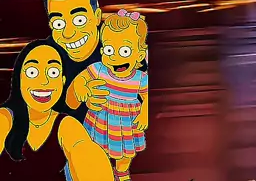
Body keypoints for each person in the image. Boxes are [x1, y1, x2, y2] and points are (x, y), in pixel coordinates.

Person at [0, 40, 114, 179]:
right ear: (19, 79)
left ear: (62, 81)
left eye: (53, 72)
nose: (44, 81)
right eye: (32, 72)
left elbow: (85, 150)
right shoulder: (6, 118)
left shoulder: (65, 124)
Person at [73, 11, 148, 181]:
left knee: (125, 153)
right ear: (102, 51)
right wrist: (81, 88)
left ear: (140, 54)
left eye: (124, 50)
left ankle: (122, 172)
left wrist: (144, 112)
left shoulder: (140, 78)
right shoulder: (99, 69)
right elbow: (81, 78)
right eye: (109, 49)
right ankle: (101, 170)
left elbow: (146, 96)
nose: (115, 56)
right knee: (97, 148)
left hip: (127, 124)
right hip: (100, 120)